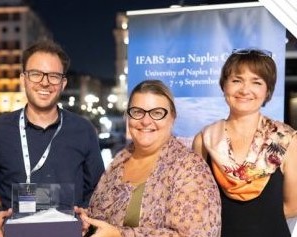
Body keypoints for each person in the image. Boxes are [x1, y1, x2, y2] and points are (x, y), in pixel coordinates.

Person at [0, 39, 105, 236]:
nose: (45, 82)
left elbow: (98, 189)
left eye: (53, 76)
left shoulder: (84, 129)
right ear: (23, 79)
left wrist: (88, 212)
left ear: (63, 83)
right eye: (36, 74)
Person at [75, 80, 221, 237]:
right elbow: (106, 221)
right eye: (138, 111)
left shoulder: (189, 168)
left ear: (172, 117)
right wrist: (88, 220)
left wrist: (119, 235)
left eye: (157, 113)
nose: (145, 121)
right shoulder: (119, 161)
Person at [192, 48, 297, 237]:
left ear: (267, 90)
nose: (244, 90)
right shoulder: (204, 140)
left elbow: (293, 205)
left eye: (256, 82)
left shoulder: (287, 140)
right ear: (224, 85)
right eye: (236, 80)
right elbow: (199, 204)